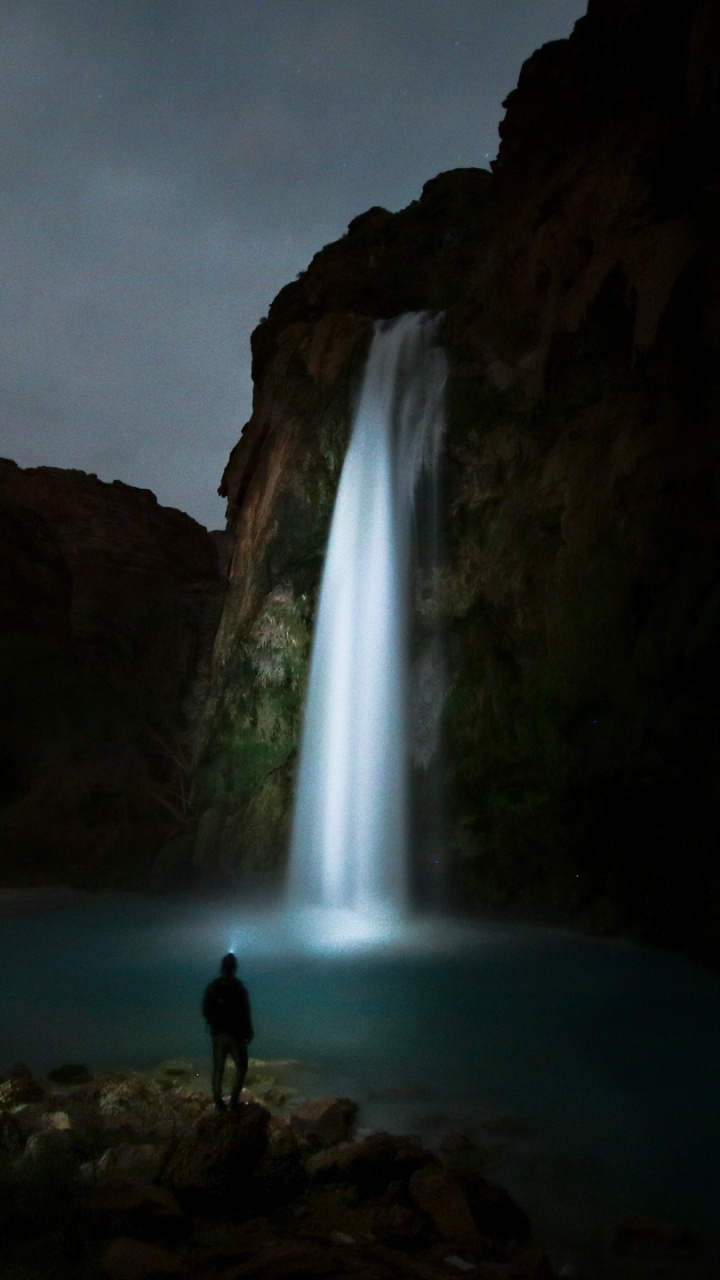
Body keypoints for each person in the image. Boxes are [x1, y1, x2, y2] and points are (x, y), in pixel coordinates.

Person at [202, 952, 254, 1112]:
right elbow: (245, 1012)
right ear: (234, 968)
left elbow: (205, 1009)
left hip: (217, 1034)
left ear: (222, 968)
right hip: (236, 1034)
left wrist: (213, 1023)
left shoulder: (213, 987)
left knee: (218, 1067)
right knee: (242, 1066)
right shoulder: (239, 989)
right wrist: (248, 1031)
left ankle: (218, 1101)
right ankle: (233, 1101)